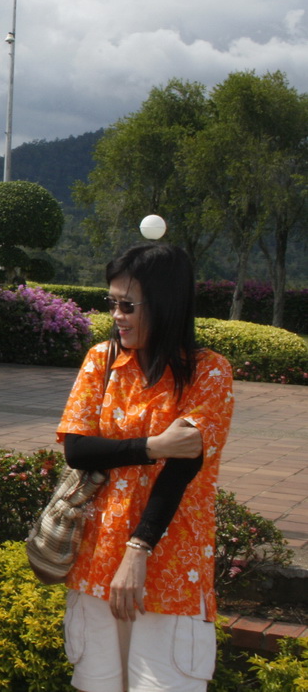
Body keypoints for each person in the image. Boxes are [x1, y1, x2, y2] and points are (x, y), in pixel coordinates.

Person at [57, 243, 233, 692]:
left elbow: (180, 472)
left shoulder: (209, 372)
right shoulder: (102, 360)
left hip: (172, 565)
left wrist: (138, 551)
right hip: (97, 558)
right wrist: (154, 446)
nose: (116, 315)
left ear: (166, 304)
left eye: (128, 305)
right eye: (112, 303)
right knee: (95, 684)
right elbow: (78, 449)